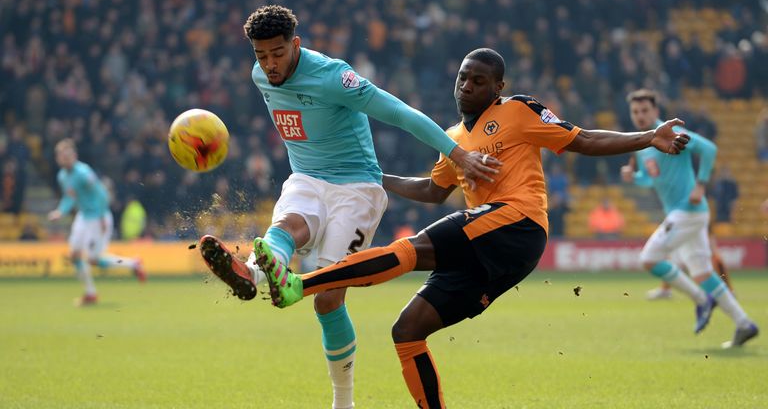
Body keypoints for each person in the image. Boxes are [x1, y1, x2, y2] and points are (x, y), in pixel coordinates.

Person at [200, 48, 693, 408]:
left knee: (414, 247)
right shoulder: (454, 138)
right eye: (462, 78)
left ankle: (293, 286)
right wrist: (374, 177)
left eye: (478, 81)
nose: (466, 87)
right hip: (490, 252)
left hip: (517, 222)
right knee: (406, 331)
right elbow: (435, 191)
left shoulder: (519, 111)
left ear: (497, 87)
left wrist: (648, 137)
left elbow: (583, 139)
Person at [198, 6, 495, 409]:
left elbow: (399, 113)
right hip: (305, 177)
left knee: (327, 298)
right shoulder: (259, 76)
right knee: (288, 225)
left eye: (278, 53)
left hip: (356, 188)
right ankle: (254, 272)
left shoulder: (334, 77)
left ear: (296, 44)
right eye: (261, 55)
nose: (269, 64)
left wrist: (458, 154)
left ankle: (343, 402)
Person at [620, 89, 758, 347]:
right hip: (686, 214)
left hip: (687, 209)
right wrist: (634, 177)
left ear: (655, 111)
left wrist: (701, 184)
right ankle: (744, 324)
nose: (640, 116)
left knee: (649, 259)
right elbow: (651, 179)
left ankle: (701, 299)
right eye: (635, 111)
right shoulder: (644, 143)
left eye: (645, 111)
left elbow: (708, 149)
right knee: (704, 273)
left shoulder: (666, 132)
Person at [48, 139, 146, 306]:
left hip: (98, 217)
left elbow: (101, 193)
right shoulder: (63, 176)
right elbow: (70, 197)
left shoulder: (83, 172)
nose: (66, 159)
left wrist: (101, 216)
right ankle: (90, 293)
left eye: (69, 156)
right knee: (75, 255)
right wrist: (60, 211)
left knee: (94, 260)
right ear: (58, 158)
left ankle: (133, 264)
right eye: (63, 157)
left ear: (74, 155)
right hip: (83, 216)